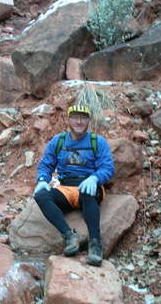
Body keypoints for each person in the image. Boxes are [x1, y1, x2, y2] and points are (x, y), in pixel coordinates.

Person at [33, 104, 115, 267]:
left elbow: (107, 167)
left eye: (83, 118)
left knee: (86, 193)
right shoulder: (59, 141)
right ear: (69, 120)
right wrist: (42, 180)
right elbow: (46, 165)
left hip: (89, 185)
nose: (79, 121)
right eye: (75, 117)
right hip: (65, 188)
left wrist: (95, 178)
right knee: (41, 195)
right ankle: (69, 236)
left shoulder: (97, 142)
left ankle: (95, 244)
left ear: (88, 120)